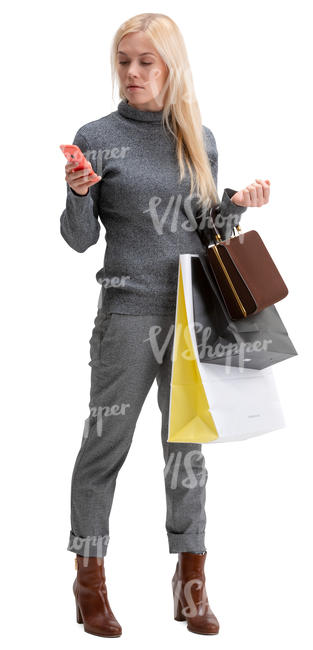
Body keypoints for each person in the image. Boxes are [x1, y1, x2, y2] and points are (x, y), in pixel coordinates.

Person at [60, 12, 270, 638]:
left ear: (170, 65)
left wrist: (232, 204)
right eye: (124, 60)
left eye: (145, 61)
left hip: (191, 314)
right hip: (126, 315)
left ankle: (191, 583)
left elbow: (207, 231)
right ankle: (88, 579)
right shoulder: (94, 136)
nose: (132, 72)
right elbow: (77, 241)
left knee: (187, 454)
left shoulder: (197, 138)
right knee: (104, 448)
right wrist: (75, 193)